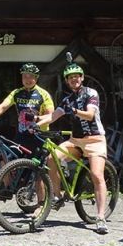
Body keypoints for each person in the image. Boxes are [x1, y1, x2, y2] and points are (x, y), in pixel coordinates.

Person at [35, 61, 110, 234]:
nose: (74, 79)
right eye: (70, 78)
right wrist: (36, 122)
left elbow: (91, 115)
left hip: (95, 140)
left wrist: (75, 111)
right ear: (67, 81)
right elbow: (53, 116)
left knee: (97, 175)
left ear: (82, 78)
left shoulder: (91, 93)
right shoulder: (68, 99)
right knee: (51, 157)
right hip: (76, 140)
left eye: (76, 76)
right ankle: (57, 195)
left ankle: (100, 217)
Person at [0, 63, 55, 154]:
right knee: (8, 161)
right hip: (21, 135)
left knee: (40, 165)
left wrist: (37, 123)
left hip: (40, 135)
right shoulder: (16, 93)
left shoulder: (43, 94)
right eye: (25, 76)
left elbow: (51, 116)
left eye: (31, 76)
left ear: (36, 78)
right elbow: (3, 107)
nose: (28, 79)